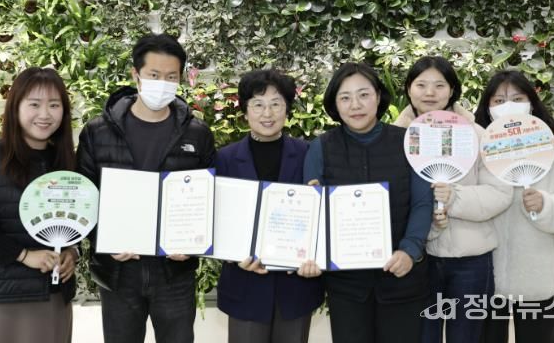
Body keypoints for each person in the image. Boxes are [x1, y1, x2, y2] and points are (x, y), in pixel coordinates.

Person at [76, 33, 216, 343]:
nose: (162, 83)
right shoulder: (98, 132)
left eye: (171, 77)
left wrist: (194, 243)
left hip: (174, 272)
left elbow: (209, 199)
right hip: (119, 272)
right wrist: (104, 239)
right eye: (154, 75)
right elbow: (83, 198)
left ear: (180, 79)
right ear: (135, 74)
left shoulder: (197, 134)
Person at [303, 62, 433, 343]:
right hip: (346, 286)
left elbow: (422, 202)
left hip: (402, 277)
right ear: (335, 104)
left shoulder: (408, 142)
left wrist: (409, 251)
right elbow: (312, 214)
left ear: (378, 96)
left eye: (364, 94)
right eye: (345, 97)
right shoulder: (321, 148)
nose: (355, 105)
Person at [393, 56, 513, 343]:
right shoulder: (394, 139)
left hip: (470, 260)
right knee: (422, 336)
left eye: (439, 85)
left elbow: (501, 192)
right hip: (417, 260)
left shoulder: (478, 135)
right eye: (421, 84)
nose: (429, 92)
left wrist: (454, 198)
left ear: (452, 90)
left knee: (467, 337)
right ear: (409, 89)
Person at [0, 67, 78, 343]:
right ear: (15, 108)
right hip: (2, 294)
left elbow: (76, 219)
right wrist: (24, 255)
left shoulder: (66, 162)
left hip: (53, 294)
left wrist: (72, 252)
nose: (45, 114)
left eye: (54, 105)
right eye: (34, 104)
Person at [474, 70, 554, 343]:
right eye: (499, 100)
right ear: (487, 107)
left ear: (531, 103)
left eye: (517, 99)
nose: (508, 106)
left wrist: (547, 206)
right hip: (485, 277)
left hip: (541, 279)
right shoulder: (475, 151)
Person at [215, 69, 324, 343]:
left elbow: (321, 216)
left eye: (276, 104)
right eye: (258, 104)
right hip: (245, 284)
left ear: (287, 109)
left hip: (296, 286)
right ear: (245, 110)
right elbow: (217, 220)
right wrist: (233, 255)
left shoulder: (308, 153)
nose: (268, 113)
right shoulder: (225, 159)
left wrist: (317, 255)